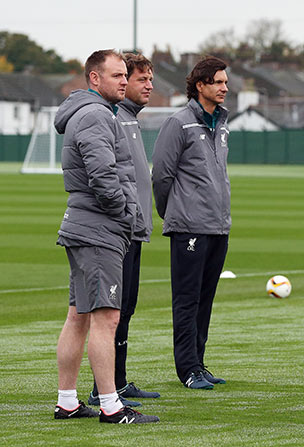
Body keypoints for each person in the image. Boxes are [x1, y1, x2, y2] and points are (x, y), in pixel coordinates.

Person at [54, 49, 158, 424]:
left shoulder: (90, 113)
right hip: (99, 230)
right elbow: (103, 178)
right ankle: (112, 407)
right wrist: (127, 216)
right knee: (106, 318)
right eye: (117, 76)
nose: (124, 82)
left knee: (78, 316)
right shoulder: (97, 114)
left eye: (124, 75)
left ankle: (67, 401)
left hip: (85, 227)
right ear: (94, 79)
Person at [152, 56, 231, 390]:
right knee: (186, 299)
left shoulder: (223, 123)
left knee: (206, 297)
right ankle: (187, 369)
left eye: (226, 82)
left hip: (218, 225)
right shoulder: (178, 123)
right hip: (189, 226)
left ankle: (199, 362)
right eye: (218, 82)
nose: (225, 88)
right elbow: (161, 176)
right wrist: (173, 212)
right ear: (200, 85)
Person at [87, 52, 161, 407]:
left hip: (134, 228)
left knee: (125, 307)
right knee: (112, 310)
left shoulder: (130, 119)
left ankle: (118, 379)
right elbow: (107, 178)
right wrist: (126, 216)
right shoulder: (113, 117)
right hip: (119, 230)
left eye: (150, 79)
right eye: (140, 79)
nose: (149, 85)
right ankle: (104, 386)